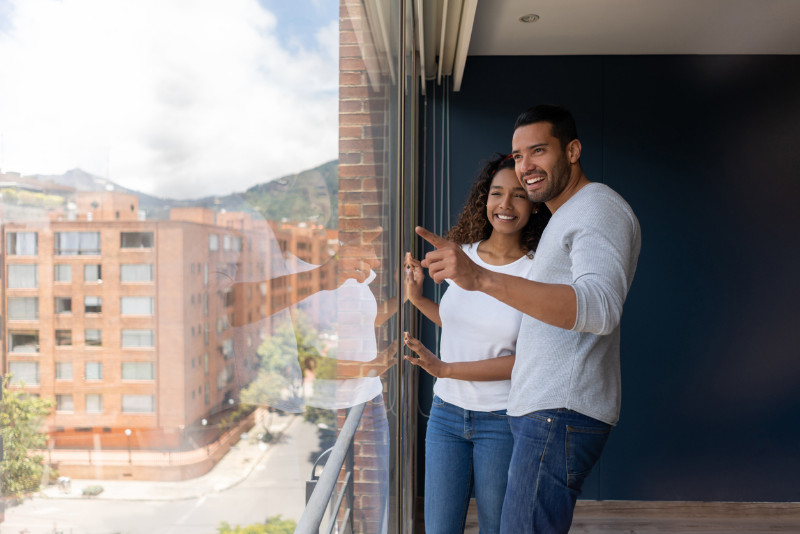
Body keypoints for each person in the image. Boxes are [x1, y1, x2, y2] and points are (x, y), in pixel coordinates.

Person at [415, 104, 641, 533]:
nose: (525, 167)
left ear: (572, 150)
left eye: (538, 151)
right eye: (518, 156)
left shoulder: (596, 208)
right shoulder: (566, 216)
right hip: (540, 411)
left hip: (559, 412)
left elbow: (599, 307)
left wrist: (481, 278)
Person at [403, 153, 550, 534]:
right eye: (496, 193)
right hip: (446, 416)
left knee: (496, 528)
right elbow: (463, 324)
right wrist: (420, 300)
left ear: (533, 206)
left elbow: (526, 360)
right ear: (483, 199)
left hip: (502, 420)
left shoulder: (535, 272)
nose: (504, 205)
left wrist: (445, 369)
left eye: (518, 196)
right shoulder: (461, 256)